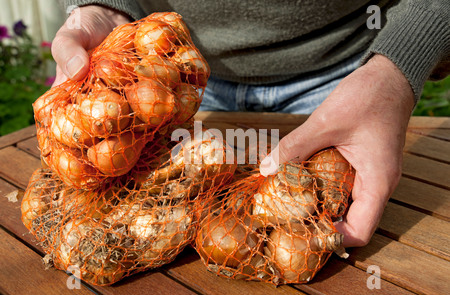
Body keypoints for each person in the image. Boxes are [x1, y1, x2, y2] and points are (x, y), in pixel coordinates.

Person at [50, 0, 449, 247]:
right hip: (171, 80)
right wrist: (101, 4)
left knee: (324, 216)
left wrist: (397, 69)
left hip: (350, 75)